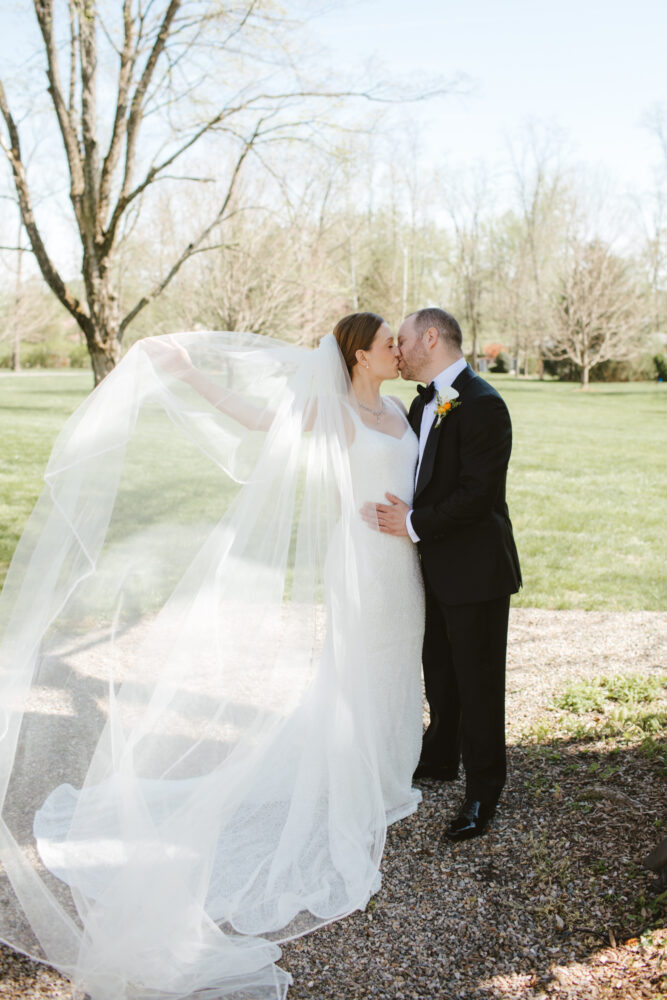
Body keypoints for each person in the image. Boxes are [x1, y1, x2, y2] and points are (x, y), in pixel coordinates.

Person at [0, 315, 424, 1000]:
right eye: (387, 344)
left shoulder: (401, 408)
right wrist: (193, 376)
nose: (397, 350)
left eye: (399, 343)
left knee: (398, 665)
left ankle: (386, 773)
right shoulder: (331, 408)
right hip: (358, 566)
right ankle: (359, 784)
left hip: (400, 563)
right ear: (357, 354)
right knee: (355, 670)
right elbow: (258, 419)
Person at [365, 307, 521, 841]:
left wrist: (410, 523)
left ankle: (484, 789)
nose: (399, 350)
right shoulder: (420, 403)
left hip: (476, 570)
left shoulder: (483, 405)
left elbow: (477, 498)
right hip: (428, 567)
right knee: (440, 670)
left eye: (404, 340)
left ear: (431, 338)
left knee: (479, 682)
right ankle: (439, 758)